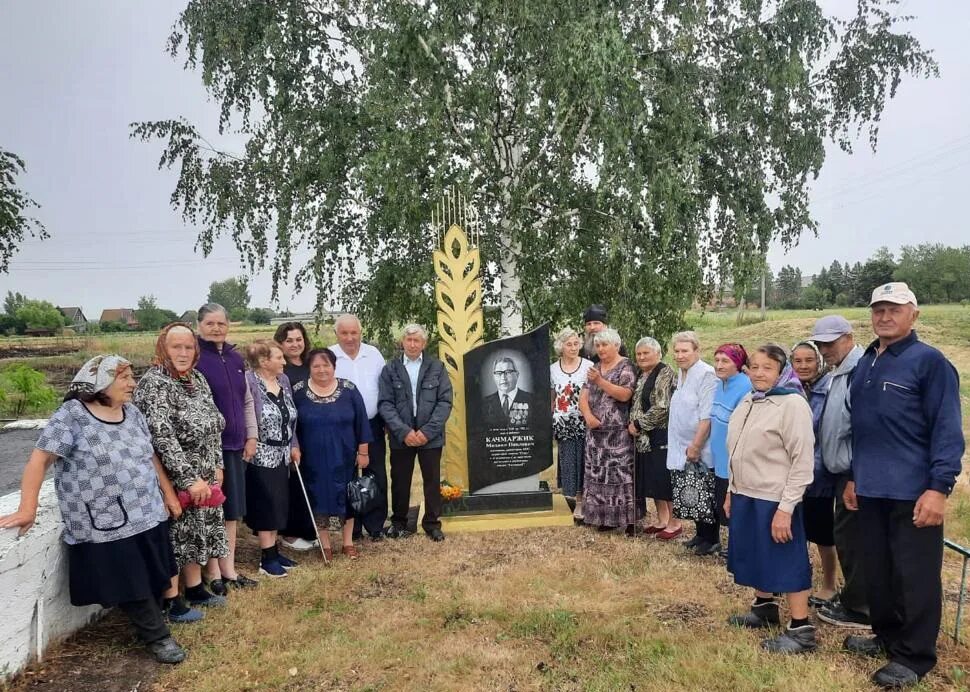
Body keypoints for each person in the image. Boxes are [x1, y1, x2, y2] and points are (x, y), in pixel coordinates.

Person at [0, 355, 188, 664]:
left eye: (131, 376)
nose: (132, 383)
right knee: (129, 575)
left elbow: (150, 455)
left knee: (150, 570)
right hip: (104, 518)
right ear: (100, 382)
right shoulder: (72, 415)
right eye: (124, 378)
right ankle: (158, 637)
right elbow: (40, 460)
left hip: (146, 510)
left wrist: (168, 494)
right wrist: (27, 507)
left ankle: (154, 621)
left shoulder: (132, 412)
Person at [842, 283, 964, 689]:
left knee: (915, 575)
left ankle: (914, 656)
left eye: (894, 309)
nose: (884, 316)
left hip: (914, 490)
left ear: (914, 314)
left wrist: (939, 488)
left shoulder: (929, 362)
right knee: (879, 571)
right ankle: (887, 635)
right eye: (878, 309)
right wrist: (854, 476)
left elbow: (946, 429)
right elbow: (862, 428)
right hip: (871, 488)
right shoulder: (866, 363)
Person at [724, 344, 816, 654]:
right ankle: (764, 607)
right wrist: (730, 490)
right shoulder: (750, 400)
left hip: (775, 497)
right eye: (755, 366)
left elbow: (802, 460)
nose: (759, 373)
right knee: (755, 552)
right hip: (745, 493)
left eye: (768, 368)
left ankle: (801, 628)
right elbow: (736, 448)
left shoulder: (792, 405)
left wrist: (786, 509)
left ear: (781, 372)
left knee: (785, 559)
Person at [133, 323, 229, 616]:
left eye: (189, 347)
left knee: (197, 533)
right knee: (177, 537)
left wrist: (217, 465)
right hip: (174, 477)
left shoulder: (196, 378)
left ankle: (196, 588)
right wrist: (189, 479)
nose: (184, 353)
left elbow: (213, 424)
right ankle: (172, 601)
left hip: (205, 473)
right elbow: (161, 436)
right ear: (163, 347)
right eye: (177, 347)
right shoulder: (154, 383)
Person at [809, 315, 870, 630]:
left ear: (849, 336)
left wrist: (855, 476)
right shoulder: (840, 371)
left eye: (829, 343)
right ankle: (856, 598)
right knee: (847, 537)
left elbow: (865, 429)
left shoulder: (861, 371)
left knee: (853, 539)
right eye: (820, 343)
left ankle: (861, 608)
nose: (824, 349)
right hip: (841, 473)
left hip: (852, 475)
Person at [194, 303, 259, 593]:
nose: (216, 328)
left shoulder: (235, 358)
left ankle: (229, 569)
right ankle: (212, 573)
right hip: (207, 449)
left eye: (221, 323)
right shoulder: (195, 358)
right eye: (210, 323)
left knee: (232, 511)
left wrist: (251, 435)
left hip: (234, 446)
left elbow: (246, 400)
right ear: (199, 326)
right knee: (211, 511)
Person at [292, 348, 372, 560]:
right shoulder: (298, 392)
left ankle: (348, 543)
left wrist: (363, 451)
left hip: (345, 456)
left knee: (347, 497)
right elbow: (291, 425)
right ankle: (325, 545)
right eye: (316, 366)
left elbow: (362, 421)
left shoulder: (349, 390)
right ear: (309, 368)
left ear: (334, 366)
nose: (321, 370)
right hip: (313, 459)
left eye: (326, 365)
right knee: (318, 498)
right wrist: (295, 447)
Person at [378, 324, 454, 542]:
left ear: (424, 343)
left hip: (430, 437)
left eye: (416, 340)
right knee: (400, 480)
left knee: (432, 480)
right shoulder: (390, 369)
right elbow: (385, 403)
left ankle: (432, 523)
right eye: (408, 340)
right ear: (402, 342)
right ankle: (399, 522)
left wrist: (426, 432)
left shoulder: (437, 367)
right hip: (401, 437)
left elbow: (445, 402)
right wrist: (403, 432)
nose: (412, 344)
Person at [243, 340, 300, 578]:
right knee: (266, 505)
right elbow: (248, 415)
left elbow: (291, 416)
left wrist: (294, 444)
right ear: (265, 361)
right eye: (279, 358)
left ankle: (275, 552)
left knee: (279, 503)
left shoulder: (283, 381)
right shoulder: (248, 382)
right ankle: (267, 559)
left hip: (282, 453)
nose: (284, 362)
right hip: (260, 453)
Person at [329, 314, 388, 541]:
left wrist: (385, 420)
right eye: (344, 333)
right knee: (347, 476)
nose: (350, 338)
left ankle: (375, 525)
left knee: (376, 474)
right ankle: (352, 528)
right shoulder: (330, 355)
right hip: (341, 428)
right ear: (337, 334)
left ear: (360, 333)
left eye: (354, 332)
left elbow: (384, 389)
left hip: (373, 424)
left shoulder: (373, 354)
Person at [790, 341, 838, 606]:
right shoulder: (790, 389)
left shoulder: (829, 389)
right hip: (790, 476)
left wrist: (809, 471)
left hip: (818, 475)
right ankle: (799, 578)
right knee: (796, 531)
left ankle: (830, 584)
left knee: (822, 533)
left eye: (809, 360)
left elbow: (824, 435)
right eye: (798, 361)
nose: (803, 366)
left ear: (819, 362)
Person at [578, 328, 637, 534]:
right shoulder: (595, 367)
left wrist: (600, 381)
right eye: (598, 345)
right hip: (595, 433)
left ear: (616, 346)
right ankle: (602, 518)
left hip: (617, 435)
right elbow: (583, 396)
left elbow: (624, 395)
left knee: (619, 476)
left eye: (605, 345)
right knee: (597, 476)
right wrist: (588, 416)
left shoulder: (626, 366)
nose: (601, 349)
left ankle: (627, 521)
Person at [663, 331, 717, 543]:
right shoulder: (681, 373)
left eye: (684, 351)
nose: (679, 355)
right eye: (676, 351)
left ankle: (710, 539)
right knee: (691, 489)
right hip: (680, 443)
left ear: (697, 351)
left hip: (699, 444)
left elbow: (706, 415)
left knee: (704, 489)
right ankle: (700, 535)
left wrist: (696, 445)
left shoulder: (706, 374)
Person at [701, 343, 751, 557]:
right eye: (717, 360)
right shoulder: (721, 383)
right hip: (719, 457)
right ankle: (732, 545)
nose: (719, 365)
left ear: (738, 365)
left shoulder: (745, 386)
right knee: (725, 505)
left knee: (737, 506)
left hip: (735, 459)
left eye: (725, 361)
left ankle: (740, 549)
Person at [273, 321, 318, 551]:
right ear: (280, 343)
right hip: (291, 431)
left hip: (312, 430)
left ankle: (308, 528)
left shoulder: (312, 364)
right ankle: (289, 532)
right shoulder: (279, 369)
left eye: (298, 339)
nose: (295, 344)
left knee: (308, 481)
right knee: (292, 484)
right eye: (289, 340)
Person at [627, 337, 676, 535]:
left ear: (658, 353)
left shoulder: (665, 373)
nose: (641, 357)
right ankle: (661, 519)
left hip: (660, 433)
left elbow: (663, 407)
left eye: (646, 353)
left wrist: (638, 424)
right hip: (644, 438)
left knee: (663, 478)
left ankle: (674, 522)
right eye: (638, 354)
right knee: (654, 479)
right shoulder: (641, 374)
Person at [550, 328, 593, 521]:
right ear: (561, 346)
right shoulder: (552, 369)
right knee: (568, 460)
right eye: (569, 344)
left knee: (584, 460)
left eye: (576, 344)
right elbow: (552, 397)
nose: (574, 347)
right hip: (563, 422)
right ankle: (572, 496)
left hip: (583, 420)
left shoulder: (588, 366)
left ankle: (582, 502)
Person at [483, 355, 533, 428]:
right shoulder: (485, 403)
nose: (503, 377)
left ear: (517, 375)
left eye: (508, 372)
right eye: (498, 373)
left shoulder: (531, 399)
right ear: (494, 377)